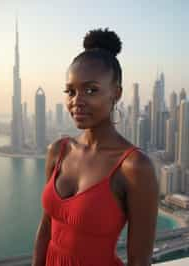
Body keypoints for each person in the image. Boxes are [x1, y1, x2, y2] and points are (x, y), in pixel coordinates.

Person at [31, 28, 158, 266]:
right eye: (70, 91)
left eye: (91, 90)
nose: (76, 101)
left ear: (116, 94)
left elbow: (139, 260)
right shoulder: (59, 151)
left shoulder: (134, 166)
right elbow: (46, 228)